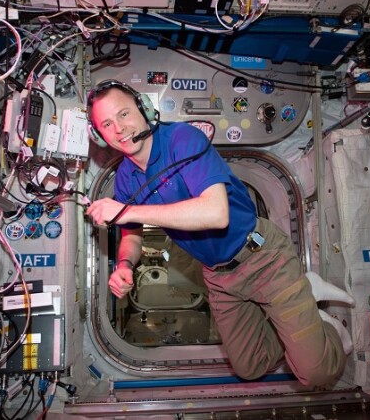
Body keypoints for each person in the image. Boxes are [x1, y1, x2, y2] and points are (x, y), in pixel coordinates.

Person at [84, 80, 352, 388]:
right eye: (106, 124)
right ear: (99, 136)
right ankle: (298, 320)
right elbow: (132, 234)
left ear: (144, 109)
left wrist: (126, 211)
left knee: (316, 373)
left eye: (123, 114)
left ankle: (325, 328)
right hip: (219, 276)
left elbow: (216, 213)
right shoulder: (124, 178)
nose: (119, 128)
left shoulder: (182, 139)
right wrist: (124, 265)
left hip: (262, 257)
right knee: (250, 366)